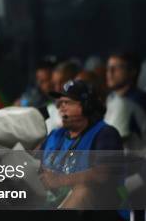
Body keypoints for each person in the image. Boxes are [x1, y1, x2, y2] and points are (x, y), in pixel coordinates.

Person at [40, 80, 123, 209]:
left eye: (67, 102)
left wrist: (60, 180)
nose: (61, 107)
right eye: (60, 103)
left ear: (87, 105)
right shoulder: (55, 135)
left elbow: (103, 174)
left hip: (97, 214)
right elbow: (34, 162)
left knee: (83, 190)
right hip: (52, 203)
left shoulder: (105, 134)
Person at [104, 52, 146, 221]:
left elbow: (112, 143)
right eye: (109, 67)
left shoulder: (129, 101)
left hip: (145, 167)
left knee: (118, 185)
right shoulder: (115, 98)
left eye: (117, 67)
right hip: (137, 165)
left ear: (132, 73)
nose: (111, 72)